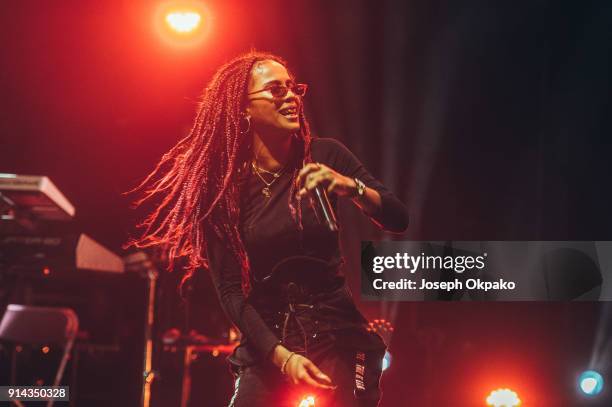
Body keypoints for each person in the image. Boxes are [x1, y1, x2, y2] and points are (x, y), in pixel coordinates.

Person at [129, 51, 409, 406]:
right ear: (243, 109)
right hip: (268, 340)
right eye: (276, 91)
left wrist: (349, 186)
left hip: (337, 332)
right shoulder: (222, 191)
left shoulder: (325, 155)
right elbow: (231, 292)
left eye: (293, 89)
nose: (291, 97)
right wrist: (283, 358)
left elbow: (398, 218)